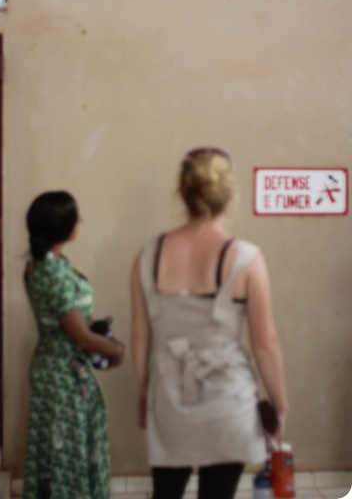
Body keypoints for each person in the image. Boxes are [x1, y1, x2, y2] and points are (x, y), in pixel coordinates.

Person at [131, 148, 288, 499]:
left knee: (165, 493)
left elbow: (140, 336)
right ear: (229, 195)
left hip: (169, 399)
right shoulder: (247, 259)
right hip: (228, 402)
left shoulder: (148, 255)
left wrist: (144, 391)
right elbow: (265, 343)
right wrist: (280, 404)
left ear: (183, 193)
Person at [23, 191, 125, 499]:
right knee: (66, 456)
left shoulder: (51, 263)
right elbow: (80, 337)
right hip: (60, 376)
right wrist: (116, 349)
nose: (80, 221)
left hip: (66, 369)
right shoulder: (50, 272)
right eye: (75, 216)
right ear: (62, 226)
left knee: (73, 450)